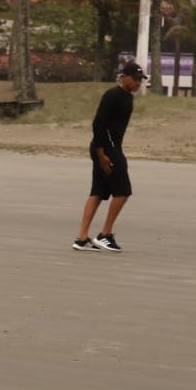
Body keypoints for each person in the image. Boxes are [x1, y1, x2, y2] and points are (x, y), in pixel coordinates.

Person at [72, 60, 145, 252]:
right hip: (107, 149)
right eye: (136, 79)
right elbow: (98, 124)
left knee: (98, 192)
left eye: (141, 80)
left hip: (108, 148)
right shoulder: (113, 95)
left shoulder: (127, 97)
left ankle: (81, 238)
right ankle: (105, 234)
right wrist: (101, 153)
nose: (138, 83)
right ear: (125, 77)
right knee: (123, 192)